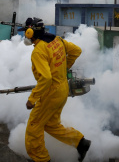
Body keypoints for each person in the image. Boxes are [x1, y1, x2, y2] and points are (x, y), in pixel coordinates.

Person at [22, 17, 91, 162]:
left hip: (50, 94)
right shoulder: (57, 40)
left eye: (25, 32)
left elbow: (46, 78)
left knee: (34, 127)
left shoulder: (38, 51)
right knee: (50, 124)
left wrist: (32, 98)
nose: (24, 35)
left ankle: (41, 159)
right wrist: (65, 67)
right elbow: (76, 51)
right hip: (63, 90)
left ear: (30, 33)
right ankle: (80, 143)